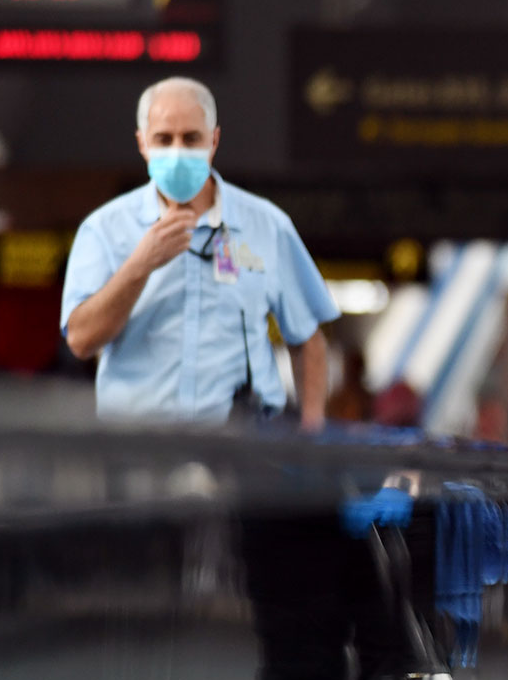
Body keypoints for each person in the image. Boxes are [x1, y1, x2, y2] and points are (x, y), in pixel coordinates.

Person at [61, 76, 336, 427]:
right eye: (163, 139)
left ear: (214, 140)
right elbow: (81, 341)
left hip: (243, 445)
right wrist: (140, 265)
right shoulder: (104, 230)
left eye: (191, 139)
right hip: (137, 447)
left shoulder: (266, 225)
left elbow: (308, 338)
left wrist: (311, 433)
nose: (177, 152)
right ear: (142, 143)